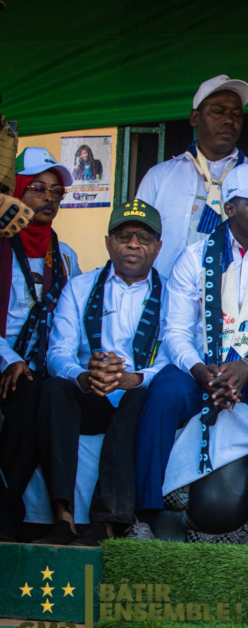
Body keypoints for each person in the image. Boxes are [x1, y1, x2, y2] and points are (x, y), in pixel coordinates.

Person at [134, 163, 248, 546]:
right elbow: (176, 332)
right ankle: (145, 515)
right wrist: (202, 371)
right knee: (164, 392)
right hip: (203, 365)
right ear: (230, 208)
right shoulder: (194, 257)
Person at [34, 201, 168, 546]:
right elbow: (58, 351)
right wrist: (82, 376)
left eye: (144, 238)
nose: (134, 245)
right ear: (109, 242)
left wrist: (136, 378)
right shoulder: (80, 287)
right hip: (90, 392)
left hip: (137, 393)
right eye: (125, 236)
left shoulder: (173, 295)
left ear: (158, 247)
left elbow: (176, 356)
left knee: (140, 398)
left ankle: (105, 524)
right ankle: (63, 518)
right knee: (52, 391)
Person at [136, 74, 248, 275]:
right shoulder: (159, 177)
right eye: (218, 112)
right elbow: (137, 239)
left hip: (239, 299)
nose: (229, 120)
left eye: (237, 115)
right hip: (170, 296)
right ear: (195, 117)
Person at [0, 148, 80, 541]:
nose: (49, 199)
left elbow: (72, 320)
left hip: (42, 367)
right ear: (16, 191)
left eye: (56, 192)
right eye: (37, 189)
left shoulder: (65, 256)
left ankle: (19, 511)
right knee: (28, 392)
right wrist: (9, 359)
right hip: (5, 360)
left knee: (48, 397)